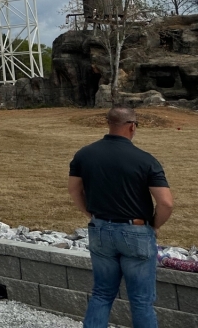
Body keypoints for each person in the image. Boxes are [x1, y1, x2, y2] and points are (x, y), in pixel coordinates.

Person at [68, 106, 174, 328]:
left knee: (101, 293)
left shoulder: (84, 155)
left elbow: (74, 190)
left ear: (109, 123)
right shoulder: (145, 160)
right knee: (141, 300)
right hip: (136, 232)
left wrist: (90, 213)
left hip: (99, 230)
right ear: (132, 126)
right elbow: (165, 203)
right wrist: (154, 226)